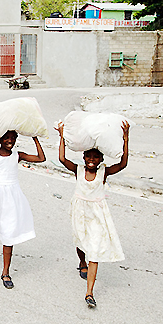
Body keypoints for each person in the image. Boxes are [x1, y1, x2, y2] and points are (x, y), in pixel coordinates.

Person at [56, 122, 130, 308]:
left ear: (101, 159)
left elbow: (122, 164)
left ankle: (89, 292)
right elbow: (62, 158)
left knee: (94, 250)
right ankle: (82, 262)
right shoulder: (78, 170)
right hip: (79, 211)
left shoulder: (103, 172)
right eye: (88, 156)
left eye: (95, 157)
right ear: (83, 157)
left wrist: (126, 139)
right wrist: (62, 136)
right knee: (80, 241)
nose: (91, 160)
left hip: (97, 213)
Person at [0, 129, 45, 289]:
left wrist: (35, 138)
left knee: (9, 230)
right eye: (7, 138)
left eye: (13, 138)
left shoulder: (17, 155)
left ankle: (5, 272)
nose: (10, 141)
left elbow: (41, 158)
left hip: (12, 197)